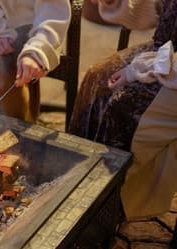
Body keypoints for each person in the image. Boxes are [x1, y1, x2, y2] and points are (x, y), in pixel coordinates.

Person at [69, 0, 177, 220]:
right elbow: (152, 11)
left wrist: (136, 70)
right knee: (96, 78)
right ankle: (78, 185)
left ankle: (110, 210)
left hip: (172, 70)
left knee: (121, 106)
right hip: (166, 51)